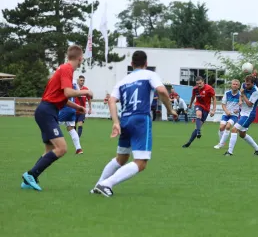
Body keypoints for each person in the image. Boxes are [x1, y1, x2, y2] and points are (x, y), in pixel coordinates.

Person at [92, 50, 177, 197]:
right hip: (140, 119)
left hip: (125, 120)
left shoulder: (122, 81)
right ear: (146, 63)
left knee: (121, 158)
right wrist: (170, 109)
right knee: (141, 162)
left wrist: (115, 122)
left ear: (131, 64)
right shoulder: (150, 75)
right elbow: (162, 91)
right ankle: (107, 184)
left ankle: (97, 186)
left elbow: (111, 101)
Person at [21, 45, 93, 191]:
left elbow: (62, 97)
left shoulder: (63, 69)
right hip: (47, 112)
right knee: (62, 148)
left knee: (49, 150)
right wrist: (86, 92)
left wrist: (77, 107)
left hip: (47, 111)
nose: (82, 61)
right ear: (80, 58)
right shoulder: (67, 69)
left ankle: (30, 179)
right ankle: (30, 174)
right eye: (82, 59)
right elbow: (67, 92)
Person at [224, 75, 258, 156]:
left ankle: (229, 152)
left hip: (249, 114)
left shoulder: (256, 91)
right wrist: (240, 100)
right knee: (242, 134)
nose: (246, 85)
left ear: (253, 83)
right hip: (242, 113)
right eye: (246, 83)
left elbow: (249, 104)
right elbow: (241, 96)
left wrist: (243, 94)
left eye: (248, 84)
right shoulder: (243, 85)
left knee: (234, 129)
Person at [182, 76, 216, 148]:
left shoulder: (209, 88)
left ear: (203, 82)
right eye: (197, 84)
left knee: (198, 126)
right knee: (198, 114)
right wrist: (191, 104)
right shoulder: (195, 89)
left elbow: (214, 98)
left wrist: (213, 109)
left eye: (200, 83)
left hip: (206, 109)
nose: (199, 85)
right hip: (198, 105)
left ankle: (189, 142)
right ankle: (198, 131)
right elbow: (193, 97)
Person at [58, 81, 86, 154]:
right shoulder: (74, 82)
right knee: (71, 129)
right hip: (72, 109)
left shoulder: (62, 80)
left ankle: (55, 145)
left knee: (52, 124)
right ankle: (79, 148)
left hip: (65, 108)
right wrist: (80, 106)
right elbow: (79, 94)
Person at [214, 79, 241, 149]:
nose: (235, 85)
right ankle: (222, 142)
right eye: (233, 84)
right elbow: (223, 104)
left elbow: (242, 107)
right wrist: (226, 111)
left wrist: (238, 110)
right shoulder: (227, 93)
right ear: (231, 85)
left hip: (234, 115)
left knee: (228, 127)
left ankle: (220, 144)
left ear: (238, 86)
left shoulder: (240, 95)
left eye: (236, 84)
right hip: (226, 114)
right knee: (221, 128)